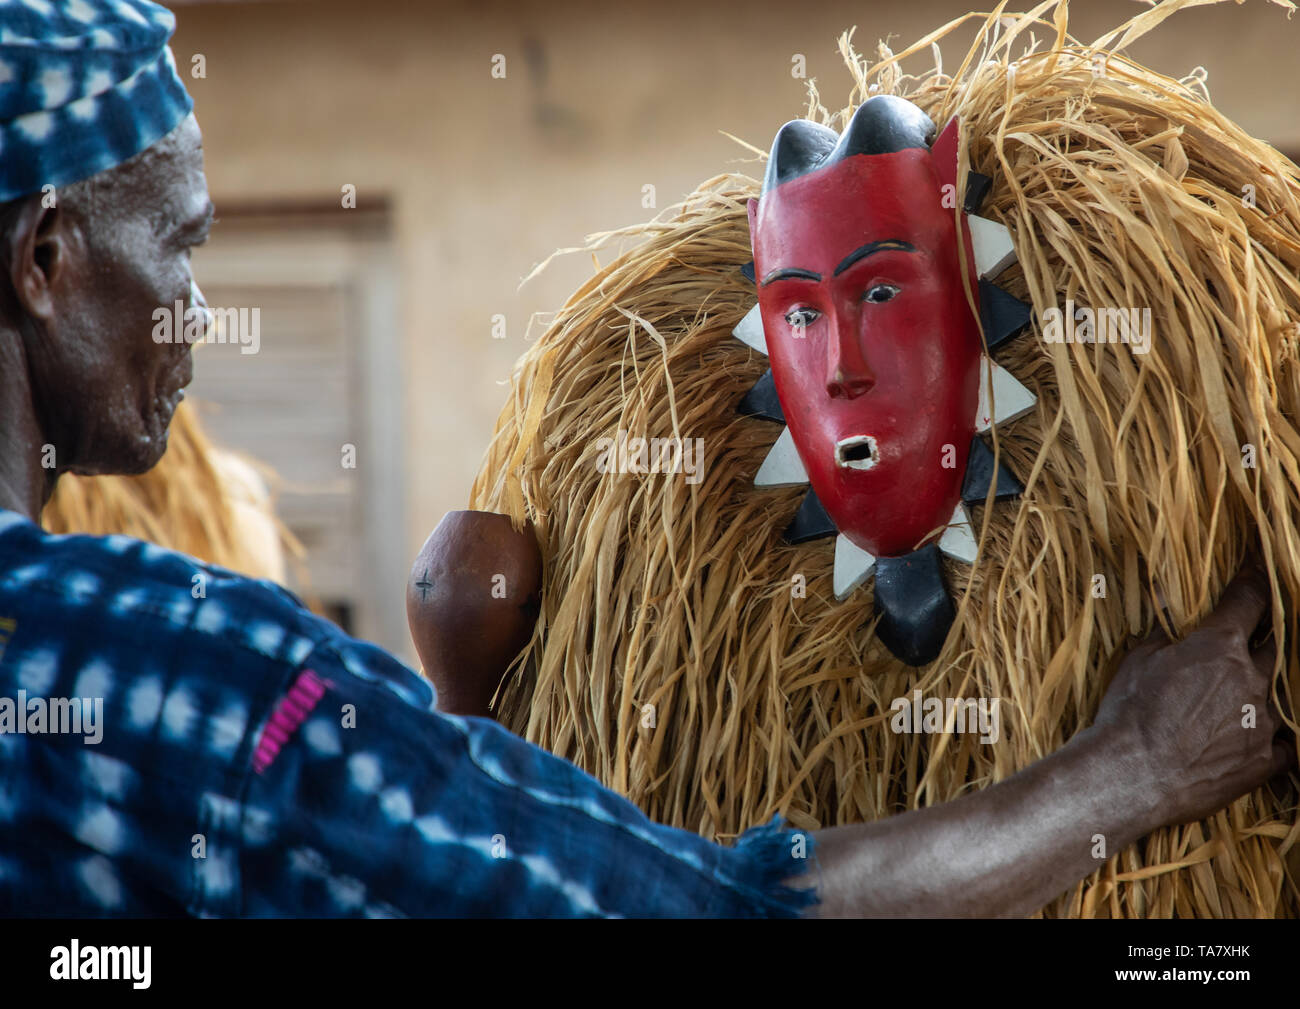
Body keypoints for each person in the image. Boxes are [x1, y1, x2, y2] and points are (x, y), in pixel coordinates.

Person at [0, 0, 1289, 918]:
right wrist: (1134, 770)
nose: (198, 310)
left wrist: (455, 729)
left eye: (886, 298)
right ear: (44, 260)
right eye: (177, 246)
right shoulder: (172, 666)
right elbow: (691, 913)